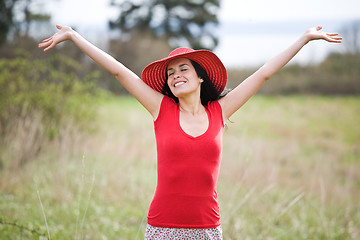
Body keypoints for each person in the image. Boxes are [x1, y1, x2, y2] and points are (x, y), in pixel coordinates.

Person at [39, 25, 341, 239]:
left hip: (207, 228)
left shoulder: (219, 111)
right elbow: (119, 70)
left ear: (199, 77)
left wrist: (303, 39)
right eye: (170, 73)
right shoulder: (161, 109)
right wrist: (75, 37)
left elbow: (263, 74)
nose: (175, 76)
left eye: (183, 69)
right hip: (162, 227)